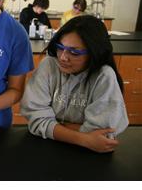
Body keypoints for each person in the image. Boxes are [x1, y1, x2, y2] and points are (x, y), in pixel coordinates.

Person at [20, 15, 129, 153]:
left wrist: (54, 124)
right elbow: (35, 119)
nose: (63, 57)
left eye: (74, 52)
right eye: (60, 47)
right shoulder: (49, 65)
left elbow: (103, 133)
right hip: (47, 150)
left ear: (94, 52)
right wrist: (85, 139)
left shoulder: (104, 76)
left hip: (87, 157)